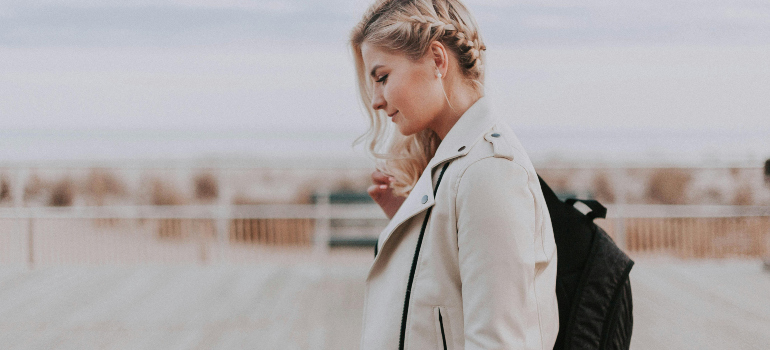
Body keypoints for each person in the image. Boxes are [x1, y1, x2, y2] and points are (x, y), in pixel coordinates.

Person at [350, 0, 559, 349]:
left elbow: (497, 343)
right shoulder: (455, 165)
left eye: (383, 77)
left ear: (436, 59)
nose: (376, 100)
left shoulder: (489, 172)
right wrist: (414, 227)